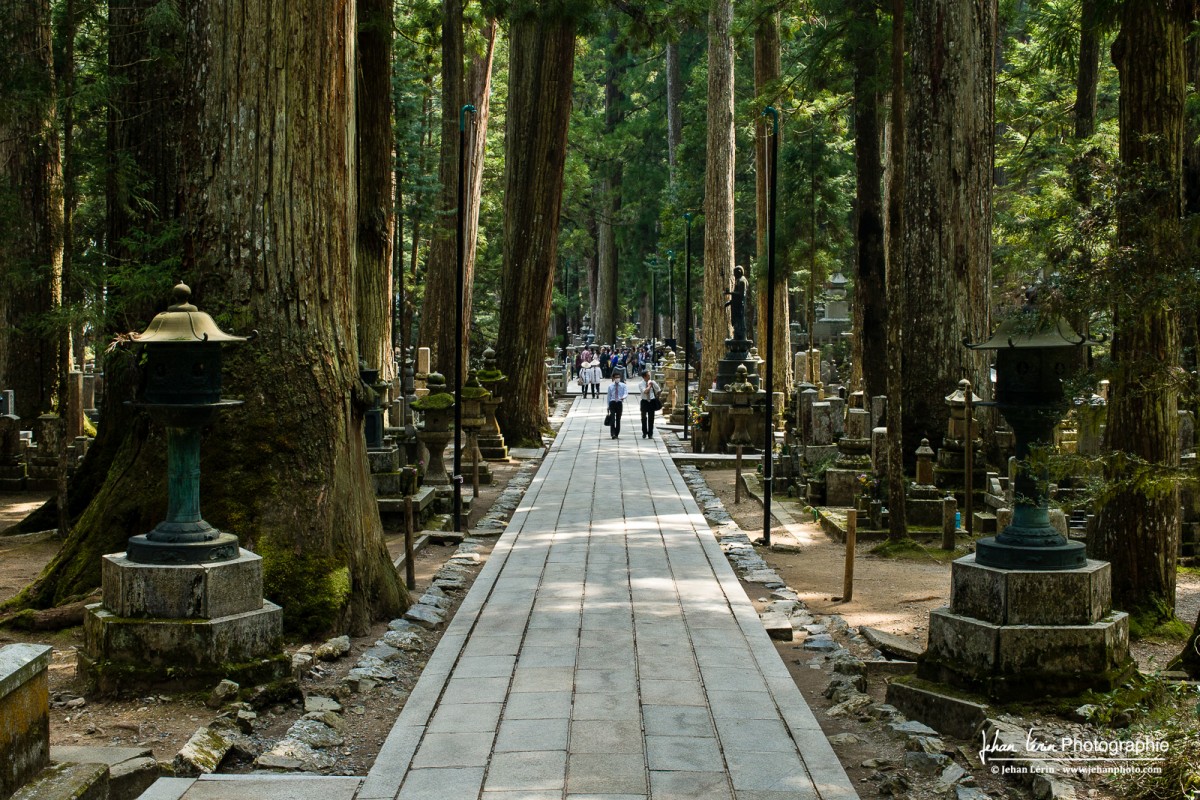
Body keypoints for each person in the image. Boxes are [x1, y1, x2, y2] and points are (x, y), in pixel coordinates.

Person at [640, 369, 662, 439]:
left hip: (651, 401)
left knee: (651, 418)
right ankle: (644, 432)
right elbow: (645, 392)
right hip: (644, 401)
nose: (649, 377)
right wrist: (649, 386)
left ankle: (650, 433)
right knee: (643, 417)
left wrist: (657, 396)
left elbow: (658, 390)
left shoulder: (653, 382)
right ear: (644, 377)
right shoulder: (641, 384)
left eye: (649, 375)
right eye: (648, 375)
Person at [606, 373, 628, 439]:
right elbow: (608, 396)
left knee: (618, 419)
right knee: (612, 419)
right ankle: (612, 433)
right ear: (613, 378)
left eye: (618, 377)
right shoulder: (610, 386)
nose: (617, 378)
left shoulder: (623, 385)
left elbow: (626, 393)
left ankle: (616, 433)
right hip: (612, 403)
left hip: (619, 402)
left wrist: (623, 397)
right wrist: (608, 406)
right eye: (616, 377)